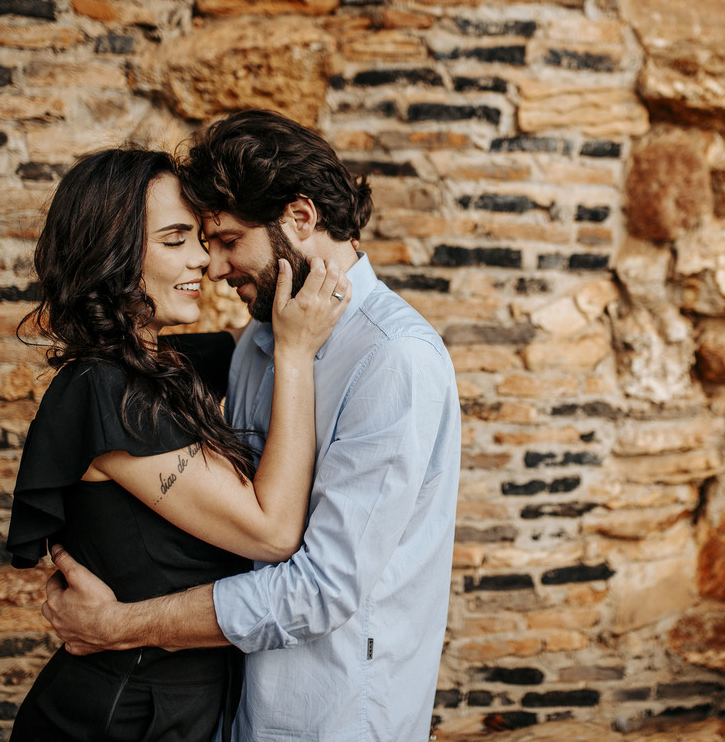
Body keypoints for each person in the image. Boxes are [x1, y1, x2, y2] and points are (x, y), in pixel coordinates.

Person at [41, 110, 462, 740]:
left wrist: (117, 626)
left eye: (229, 240)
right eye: (200, 243)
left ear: (299, 219)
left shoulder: (394, 361)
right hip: (231, 710)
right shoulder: (259, 345)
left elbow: (320, 590)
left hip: (329, 713)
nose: (213, 267)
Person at [6, 146, 351, 741]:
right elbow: (270, 533)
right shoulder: (106, 390)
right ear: (112, 254)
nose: (203, 260)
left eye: (205, 238)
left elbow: (251, 337)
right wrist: (293, 354)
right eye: (175, 240)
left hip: (180, 707)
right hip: (125, 715)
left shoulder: (160, 367)